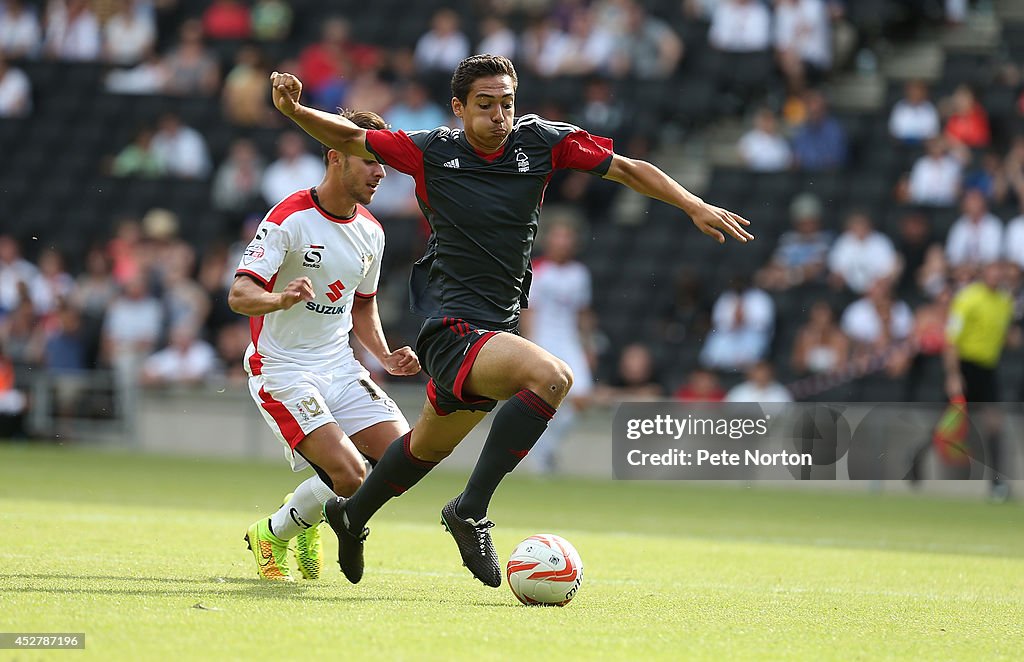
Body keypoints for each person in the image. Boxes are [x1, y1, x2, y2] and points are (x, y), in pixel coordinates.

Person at [269, 55, 752, 588]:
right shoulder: (432, 151)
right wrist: (295, 109)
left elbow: (628, 168)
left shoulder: (542, 142)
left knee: (426, 448)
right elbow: (350, 136)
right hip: (449, 323)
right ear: (459, 108)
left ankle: (352, 515)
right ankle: (468, 511)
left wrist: (690, 203)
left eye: (507, 103)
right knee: (552, 377)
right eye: (485, 104)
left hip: (497, 325)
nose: (499, 115)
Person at [229, 109, 421, 582]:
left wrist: (385, 354)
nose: (381, 172)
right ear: (336, 158)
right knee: (351, 477)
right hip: (283, 369)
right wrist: (279, 297)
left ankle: (303, 518)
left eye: (383, 163)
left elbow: (363, 308)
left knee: (400, 458)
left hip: (340, 366)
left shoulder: (372, 232)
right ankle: (273, 533)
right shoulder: (288, 218)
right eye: (370, 161)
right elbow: (239, 295)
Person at [521, 222, 595, 474]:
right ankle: (542, 457)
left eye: (567, 238)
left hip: (570, 341)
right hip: (543, 341)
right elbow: (528, 311)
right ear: (549, 241)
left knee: (582, 398)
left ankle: (544, 449)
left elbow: (583, 312)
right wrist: (529, 347)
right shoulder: (538, 270)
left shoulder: (580, 273)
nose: (563, 243)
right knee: (543, 400)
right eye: (558, 237)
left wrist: (589, 345)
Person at [943, 261, 1015, 500]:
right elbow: (951, 338)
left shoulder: (1005, 301)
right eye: (992, 271)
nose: (996, 276)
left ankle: (997, 485)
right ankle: (916, 462)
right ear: (983, 274)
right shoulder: (968, 298)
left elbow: (1003, 334)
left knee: (994, 425)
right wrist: (953, 375)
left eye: (1000, 272)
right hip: (965, 366)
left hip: (988, 369)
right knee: (950, 423)